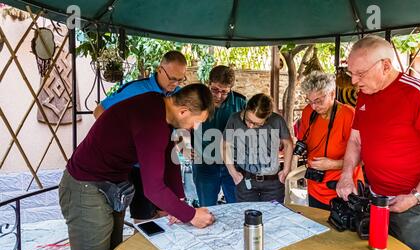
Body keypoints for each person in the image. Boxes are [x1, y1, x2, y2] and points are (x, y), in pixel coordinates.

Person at [59, 84, 215, 250]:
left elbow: (170, 163)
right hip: (85, 187)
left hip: (113, 186)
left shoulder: (161, 109)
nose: (194, 128)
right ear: (183, 111)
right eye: (197, 122)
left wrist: (179, 202)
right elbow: (153, 189)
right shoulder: (152, 122)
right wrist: (191, 215)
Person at [336, 35, 420, 250]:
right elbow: (356, 141)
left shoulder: (417, 93)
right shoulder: (365, 95)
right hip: (377, 200)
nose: (354, 81)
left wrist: (415, 196)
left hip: (416, 207)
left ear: (385, 66)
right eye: (351, 74)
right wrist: (347, 174)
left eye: (360, 73)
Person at [94, 51, 188, 224]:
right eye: (172, 78)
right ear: (160, 70)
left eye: (180, 80)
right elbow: (100, 111)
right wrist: (127, 143)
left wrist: (184, 144)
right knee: (144, 219)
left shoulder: (179, 96)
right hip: (137, 166)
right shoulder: (135, 90)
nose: (176, 84)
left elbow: (178, 128)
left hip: (166, 162)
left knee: (167, 215)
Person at [296, 71, 364, 210]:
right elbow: (303, 141)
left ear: (332, 94)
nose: (314, 106)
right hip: (315, 186)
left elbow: (363, 159)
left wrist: (332, 164)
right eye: (310, 101)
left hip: (343, 189)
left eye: (318, 101)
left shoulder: (348, 115)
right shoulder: (308, 112)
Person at [192, 65, 246, 206]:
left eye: (224, 92)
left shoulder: (241, 102)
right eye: (215, 90)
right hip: (204, 165)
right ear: (208, 83)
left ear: (230, 89)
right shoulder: (196, 101)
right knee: (207, 209)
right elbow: (182, 127)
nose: (218, 96)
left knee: (237, 209)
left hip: (233, 166)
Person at [223, 93, 293, 203]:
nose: (251, 126)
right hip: (245, 180)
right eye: (248, 120)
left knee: (273, 218)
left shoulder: (277, 120)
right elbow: (225, 145)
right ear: (246, 108)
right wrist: (233, 172)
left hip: (273, 182)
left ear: (267, 117)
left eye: (257, 124)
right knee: (247, 216)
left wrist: (286, 170)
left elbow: (288, 144)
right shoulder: (234, 119)